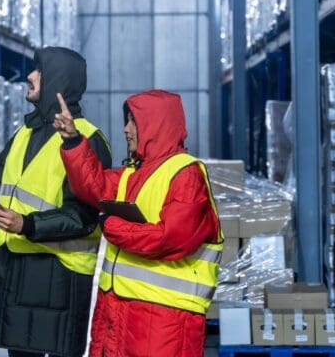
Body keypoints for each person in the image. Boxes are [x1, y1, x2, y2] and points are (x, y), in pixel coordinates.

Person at [53, 89, 224, 357]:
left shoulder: (186, 174)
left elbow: (170, 237)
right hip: (124, 311)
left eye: (133, 121)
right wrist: (73, 141)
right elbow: (94, 186)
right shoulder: (134, 173)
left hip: (163, 320)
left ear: (154, 125)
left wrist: (112, 226)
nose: (125, 129)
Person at [0, 47, 112, 357]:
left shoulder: (87, 139)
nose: (29, 76)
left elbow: (83, 215)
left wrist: (26, 223)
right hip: (17, 267)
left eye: (37, 70)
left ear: (57, 80)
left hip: (57, 276)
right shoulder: (24, 133)